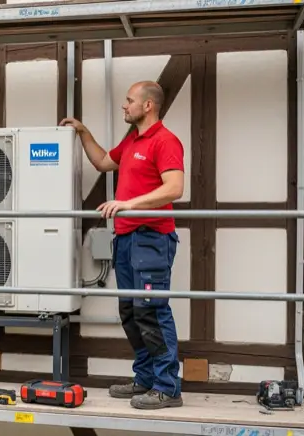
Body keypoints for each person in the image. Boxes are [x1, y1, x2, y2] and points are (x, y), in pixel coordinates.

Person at [60, 80, 185, 410]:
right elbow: (103, 162)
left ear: (148, 106)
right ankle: (145, 379)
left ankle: (168, 387)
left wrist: (129, 203)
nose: (124, 106)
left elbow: (174, 188)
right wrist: (83, 132)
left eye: (129, 101)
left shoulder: (165, 141)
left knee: (152, 311)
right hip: (127, 239)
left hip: (151, 238)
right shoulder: (132, 140)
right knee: (130, 312)